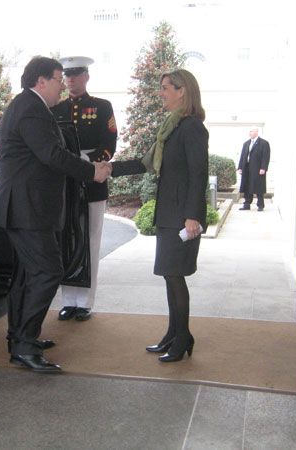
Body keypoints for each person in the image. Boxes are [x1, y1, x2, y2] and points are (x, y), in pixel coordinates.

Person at [0, 56, 111, 373]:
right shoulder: (31, 109)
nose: (63, 84)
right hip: (28, 210)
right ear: (40, 81)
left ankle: (19, 337)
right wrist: (92, 172)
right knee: (47, 272)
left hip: (25, 209)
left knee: (26, 277)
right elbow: (51, 155)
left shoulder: (28, 106)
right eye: (59, 78)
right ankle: (24, 345)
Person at [109, 68, 208, 363]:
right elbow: (146, 162)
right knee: (169, 275)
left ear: (183, 91)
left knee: (176, 277)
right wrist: (109, 169)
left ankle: (183, 338)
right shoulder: (170, 127)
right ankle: (174, 334)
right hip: (168, 213)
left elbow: (198, 175)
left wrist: (193, 216)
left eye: (166, 87)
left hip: (182, 217)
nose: (161, 93)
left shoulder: (192, 128)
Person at [51, 56, 118, 322]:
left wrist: (88, 162)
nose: (71, 80)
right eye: (67, 75)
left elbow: (109, 143)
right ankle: (68, 301)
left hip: (92, 181)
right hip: (64, 182)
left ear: (86, 77)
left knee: (90, 239)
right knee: (66, 239)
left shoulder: (102, 107)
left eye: (76, 75)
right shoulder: (55, 108)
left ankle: (85, 302)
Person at [237, 127, 270, 211]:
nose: (250, 133)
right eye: (249, 131)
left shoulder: (264, 143)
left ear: (256, 132)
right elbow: (242, 156)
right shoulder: (246, 143)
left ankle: (260, 205)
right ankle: (247, 204)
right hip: (247, 168)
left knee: (259, 187)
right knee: (247, 186)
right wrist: (240, 167)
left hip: (258, 169)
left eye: (251, 131)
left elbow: (265, 157)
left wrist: (263, 168)